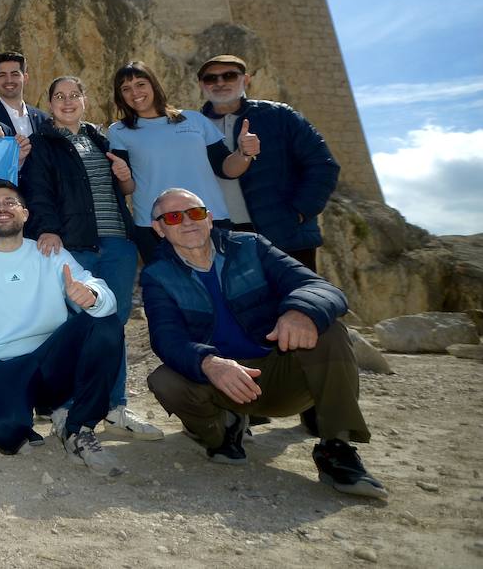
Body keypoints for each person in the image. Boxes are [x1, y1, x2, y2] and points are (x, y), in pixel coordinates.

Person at [141, 189, 386, 498]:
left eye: (196, 213)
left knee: (330, 330)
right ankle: (224, 432)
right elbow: (167, 338)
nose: (188, 222)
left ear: (210, 217)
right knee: (165, 380)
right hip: (226, 382)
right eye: (174, 217)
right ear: (159, 229)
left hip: (282, 370)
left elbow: (318, 287)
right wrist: (209, 362)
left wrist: (300, 311)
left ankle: (336, 448)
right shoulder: (157, 276)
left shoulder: (250, 246)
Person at [0, 180, 125, 477]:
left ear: (25, 213)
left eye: (10, 202)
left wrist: (92, 295)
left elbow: (98, 290)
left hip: (47, 360)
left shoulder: (49, 253)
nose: (2, 208)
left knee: (104, 321)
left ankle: (79, 428)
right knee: (6, 435)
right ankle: (12, 419)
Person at [21, 76, 162, 442]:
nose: (67, 102)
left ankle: (115, 406)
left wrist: (126, 178)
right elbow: (37, 192)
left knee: (113, 324)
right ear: (49, 103)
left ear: (85, 100)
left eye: (74, 95)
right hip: (73, 245)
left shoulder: (104, 141)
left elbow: (124, 188)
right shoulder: (42, 144)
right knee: (73, 324)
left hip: (117, 243)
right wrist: (48, 229)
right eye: (59, 96)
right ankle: (65, 406)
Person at [196, 54, 340, 270]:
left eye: (229, 76)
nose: (220, 83)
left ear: (245, 80)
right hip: (224, 240)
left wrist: (299, 212)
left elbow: (322, 164)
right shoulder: (193, 128)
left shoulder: (279, 115)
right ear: (201, 85)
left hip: (286, 236)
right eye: (211, 78)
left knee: (300, 300)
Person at [107, 60, 258, 263]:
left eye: (141, 84)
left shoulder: (194, 120)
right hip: (157, 227)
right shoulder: (119, 131)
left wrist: (244, 153)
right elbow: (126, 188)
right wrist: (123, 176)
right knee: (172, 291)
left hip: (208, 218)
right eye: (126, 88)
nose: (135, 92)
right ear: (120, 96)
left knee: (224, 288)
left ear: (153, 85)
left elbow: (227, 169)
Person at [0, 50, 51, 169]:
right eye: (2, 75)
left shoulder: (44, 120)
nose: (9, 80)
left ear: (25, 78)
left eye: (15, 74)